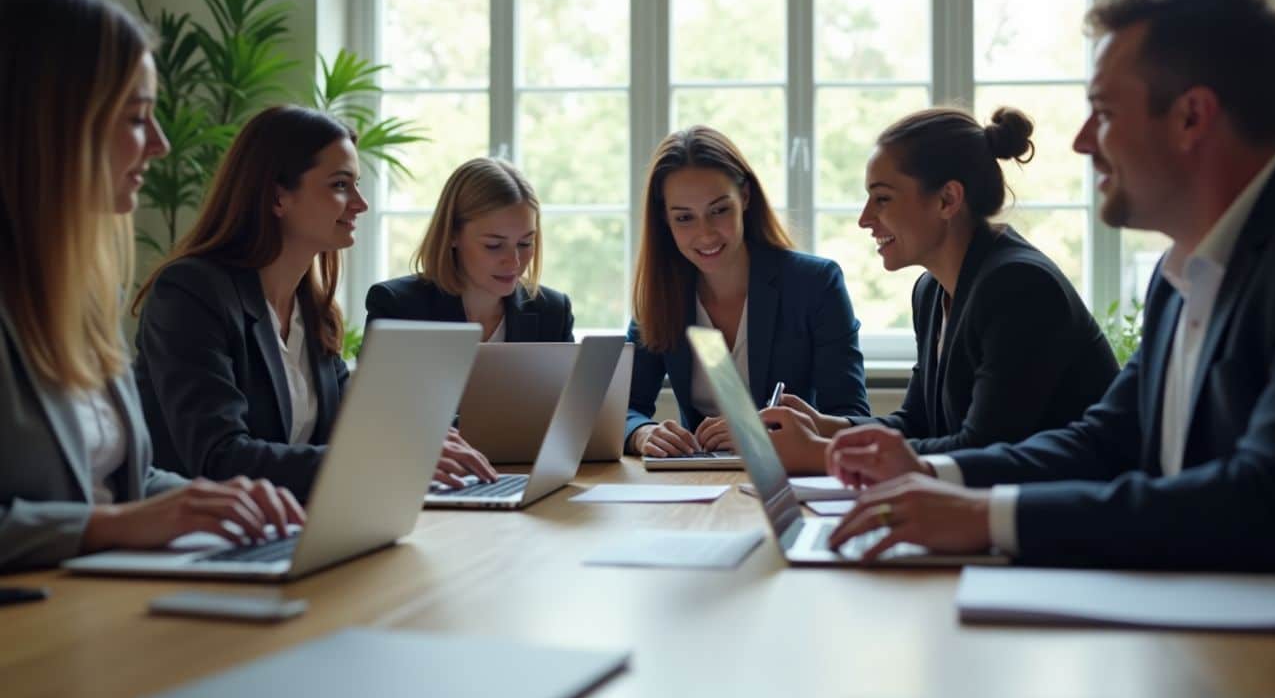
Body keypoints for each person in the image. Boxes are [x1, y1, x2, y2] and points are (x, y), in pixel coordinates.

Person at [825, 0, 1275, 609]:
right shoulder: (1181, 271)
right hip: (1196, 627)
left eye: (1103, 111)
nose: (1080, 141)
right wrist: (931, 476)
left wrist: (987, 518)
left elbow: (1269, 497)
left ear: (1191, 117)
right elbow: (1106, 441)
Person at [0, 0, 302, 571]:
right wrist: (109, 526)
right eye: (137, 119)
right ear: (53, 126)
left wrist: (214, 502)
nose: (160, 144)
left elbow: (123, 480)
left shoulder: (79, 291)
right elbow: (109, 514)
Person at [761, 107, 1118, 473]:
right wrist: (827, 428)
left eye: (882, 198)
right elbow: (917, 422)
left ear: (947, 200)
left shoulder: (1018, 286)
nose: (864, 218)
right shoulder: (931, 291)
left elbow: (982, 449)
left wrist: (820, 454)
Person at [132, 105, 367, 503]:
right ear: (278, 196)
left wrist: (421, 447)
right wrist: (365, 464)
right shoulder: (191, 292)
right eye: (340, 185)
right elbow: (220, 458)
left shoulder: (314, 311)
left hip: (291, 529)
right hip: (196, 544)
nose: (359, 203)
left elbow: (345, 431)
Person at [626, 125, 869, 459]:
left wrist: (761, 432)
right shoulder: (662, 294)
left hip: (792, 477)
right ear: (665, 222)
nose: (706, 234)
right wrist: (643, 433)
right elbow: (625, 409)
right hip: (697, 483)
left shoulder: (815, 283)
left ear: (745, 197)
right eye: (684, 218)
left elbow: (852, 416)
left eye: (719, 210)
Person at [364, 156, 573, 485]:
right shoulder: (398, 306)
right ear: (452, 235)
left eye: (526, 243)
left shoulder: (551, 310)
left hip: (527, 478)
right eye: (494, 245)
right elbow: (380, 416)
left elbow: (567, 417)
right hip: (431, 482)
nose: (514, 261)